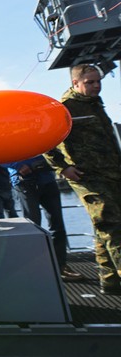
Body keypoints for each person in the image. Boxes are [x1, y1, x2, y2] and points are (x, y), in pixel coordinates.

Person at [46, 63, 121, 295]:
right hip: (88, 178)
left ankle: (110, 282)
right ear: (75, 83)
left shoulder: (94, 104)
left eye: (98, 81)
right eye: (90, 82)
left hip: (111, 173)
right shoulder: (64, 108)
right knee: (113, 225)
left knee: (103, 227)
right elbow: (46, 141)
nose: (96, 86)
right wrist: (63, 168)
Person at [7, 155, 83, 282]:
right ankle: (36, 269)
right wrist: (17, 165)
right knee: (32, 227)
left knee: (57, 225)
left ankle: (61, 266)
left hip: (47, 179)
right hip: (24, 181)